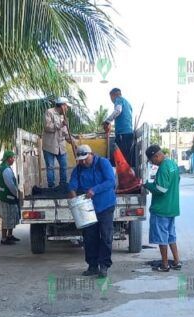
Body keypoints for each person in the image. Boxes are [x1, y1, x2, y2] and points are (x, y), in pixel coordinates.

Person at [68, 144, 116, 278]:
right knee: (89, 238)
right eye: (80, 160)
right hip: (87, 208)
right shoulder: (78, 169)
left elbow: (111, 181)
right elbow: (72, 183)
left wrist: (95, 190)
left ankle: (104, 266)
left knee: (106, 236)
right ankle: (92, 266)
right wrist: (72, 193)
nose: (83, 162)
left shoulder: (103, 163)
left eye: (85, 159)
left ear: (91, 154)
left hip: (105, 206)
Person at [143, 145, 181, 272]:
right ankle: (176, 261)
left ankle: (164, 265)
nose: (152, 163)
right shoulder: (173, 164)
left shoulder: (163, 167)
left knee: (162, 237)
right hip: (172, 207)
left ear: (157, 156)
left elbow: (161, 189)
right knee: (171, 236)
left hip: (161, 208)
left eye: (151, 160)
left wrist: (147, 185)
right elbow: (176, 182)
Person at [43, 97, 76, 188]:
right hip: (50, 146)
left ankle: (63, 185)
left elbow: (65, 133)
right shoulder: (49, 112)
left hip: (61, 147)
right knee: (50, 167)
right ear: (62, 105)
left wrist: (72, 141)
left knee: (64, 166)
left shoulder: (63, 116)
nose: (67, 109)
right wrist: (61, 124)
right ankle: (52, 187)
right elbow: (47, 127)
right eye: (66, 106)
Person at [0, 150, 22, 245]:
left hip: (7, 197)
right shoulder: (5, 169)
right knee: (6, 218)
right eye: (13, 158)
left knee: (12, 217)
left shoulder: (4, 167)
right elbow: (10, 185)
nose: (14, 160)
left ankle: (9, 236)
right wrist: (17, 194)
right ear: (8, 158)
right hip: (6, 197)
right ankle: (4, 238)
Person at [102, 88, 135, 163]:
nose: (112, 100)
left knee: (120, 157)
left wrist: (107, 121)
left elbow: (118, 110)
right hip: (128, 133)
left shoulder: (119, 99)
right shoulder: (128, 103)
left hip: (123, 134)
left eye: (111, 98)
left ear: (113, 95)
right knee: (126, 158)